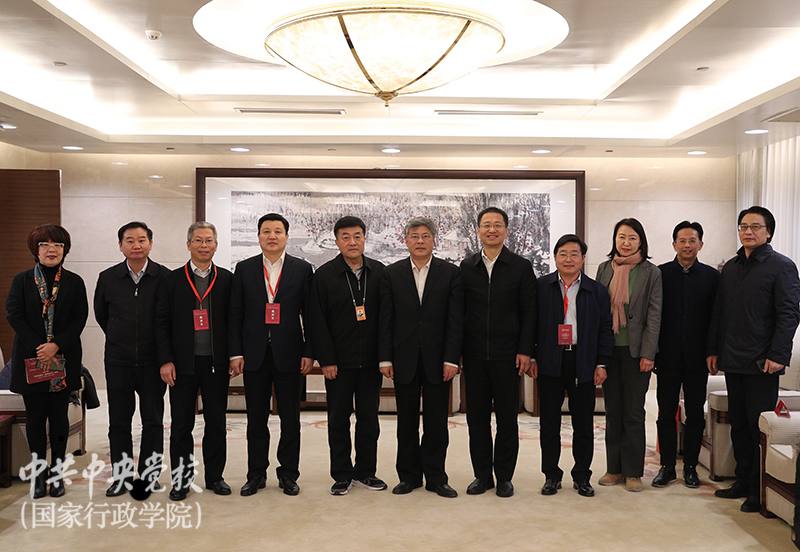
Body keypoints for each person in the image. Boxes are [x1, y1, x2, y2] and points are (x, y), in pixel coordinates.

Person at [708, 206, 800, 512]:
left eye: (755, 226)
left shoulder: (782, 266)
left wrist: (778, 355)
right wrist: (714, 349)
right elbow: (719, 312)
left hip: (763, 362)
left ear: (768, 232)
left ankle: (758, 491)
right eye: (743, 226)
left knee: (756, 425)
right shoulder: (731, 268)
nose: (748, 231)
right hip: (733, 359)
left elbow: (789, 313)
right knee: (737, 423)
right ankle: (743, 480)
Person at [229, 213, 313, 497]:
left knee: (290, 419)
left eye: (278, 231)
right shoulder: (245, 268)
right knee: (256, 419)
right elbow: (236, 314)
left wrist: (309, 351)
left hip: (290, 353)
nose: (272, 236)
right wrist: (236, 352)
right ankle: (256, 474)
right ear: (258, 236)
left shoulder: (302, 269)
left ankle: (288, 474)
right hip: (254, 354)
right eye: (266, 231)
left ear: (287, 237)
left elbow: (310, 314)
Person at [379, 217, 464, 498]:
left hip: (438, 360)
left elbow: (455, 320)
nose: (420, 241)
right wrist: (385, 358)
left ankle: (436, 478)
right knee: (406, 422)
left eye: (426, 236)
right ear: (405, 240)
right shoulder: (391, 273)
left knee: (437, 423)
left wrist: (451, 359)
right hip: (402, 358)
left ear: (433, 240)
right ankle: (409, 477)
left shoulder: (450, 273)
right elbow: (385, 318)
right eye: (414, 236)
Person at [6, 225, 88, 498]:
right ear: (36, 249)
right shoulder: (22, 280)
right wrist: (40, 347)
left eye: (58, 245)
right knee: (36, 418)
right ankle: (39, 475)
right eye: (45, 244)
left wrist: (56, 345)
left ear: (65, 250)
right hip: (32, 359)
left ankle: (58, 473)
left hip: (63, 358)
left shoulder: (74, 282)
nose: (52, 250)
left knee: (59, 417)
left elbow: (80, 318)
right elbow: (14, 314)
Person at [460, 207, 536, 497]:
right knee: (476, 420)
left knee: (507, 420)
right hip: (474, 356)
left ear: (506, 230)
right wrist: (458, 352)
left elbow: (529, 312)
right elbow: (459, 313)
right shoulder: (467, 267)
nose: (492, 230)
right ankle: (482, 476)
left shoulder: (520, 267)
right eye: (486, 225)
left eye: (497, 225)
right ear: (478, 230)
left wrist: (525, 350)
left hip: (508, 356)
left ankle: (504, 476)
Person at [308, 216, 387, 496]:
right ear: (337, 241)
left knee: (369, 420)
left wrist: (384, 358)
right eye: (345, 237)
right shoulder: (324, 275)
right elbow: (317, 320)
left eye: (357, 236)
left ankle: (366, 472)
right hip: (338, 365)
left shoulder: (379, 272)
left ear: (365, 239)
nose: (352, 242)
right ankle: (341, 474)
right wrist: (327, 360)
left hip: (371, 363)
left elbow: (387, 319)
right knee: (338, 420)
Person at [155, 222, 233, 501]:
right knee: (181, 426)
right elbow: (161, 323)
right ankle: (181, 480)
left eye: (209, 240)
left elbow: (234, 322)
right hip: (182, 365)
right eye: (198, 240)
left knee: (216, 423)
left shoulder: (227, 279)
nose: (203, 245)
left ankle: (215, 477)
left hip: (216, 364)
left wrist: (234, 355)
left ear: (216, 245)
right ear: (188, 244)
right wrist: (166, 360)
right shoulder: (172, 280)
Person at [531, 234, 613, 498]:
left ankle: (582, 476)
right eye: (563, 254)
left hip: (583, 360)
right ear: (555, 257)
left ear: (583, 258)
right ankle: (551, 475)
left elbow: (605, 329)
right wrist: (532, 357)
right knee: (549, 423)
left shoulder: (596, 290)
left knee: (583, 423)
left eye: (574, 254)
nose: (568, 259)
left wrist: (601, 362)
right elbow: (530, 325)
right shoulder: (541, 287)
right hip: (549, 360)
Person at [94, 221, 171, 496]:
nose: (136, 245)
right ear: (120, 245)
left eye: (141, 240)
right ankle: (122, 478)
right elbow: (102, 315)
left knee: (153, 421)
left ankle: (149, 476)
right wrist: (120, 337)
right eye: (130, 240)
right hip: (118, 361)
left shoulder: (164, 277)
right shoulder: (108, 277)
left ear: (150, 243)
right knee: (119, 422)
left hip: (153, 362)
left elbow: (169, 319)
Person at [595, 218, 662, 492]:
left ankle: (633, 472)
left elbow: (654, 316)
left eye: (632, 238)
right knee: (613, 411)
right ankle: (614, 469)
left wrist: (648, 353)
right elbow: (598, 311)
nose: (626, 242)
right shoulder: (604, 269)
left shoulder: (651, 272)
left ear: (641, 242)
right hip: (609, 350)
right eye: (621, 237)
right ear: (615, 240)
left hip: (636, 353)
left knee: (633, 412)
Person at [652, 221, 719, 489]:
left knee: (695, 415)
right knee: (666, 413)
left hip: (698, 357)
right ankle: (667, 466)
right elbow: (653, 316)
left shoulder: (712, 277)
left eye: (692, 241)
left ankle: (690, 467)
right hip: (667, 355)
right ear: (674, 244)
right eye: (682, 240)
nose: (687, 245)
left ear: (700, 244)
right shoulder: (660, 274)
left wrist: (713, 351)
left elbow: (716, 319)